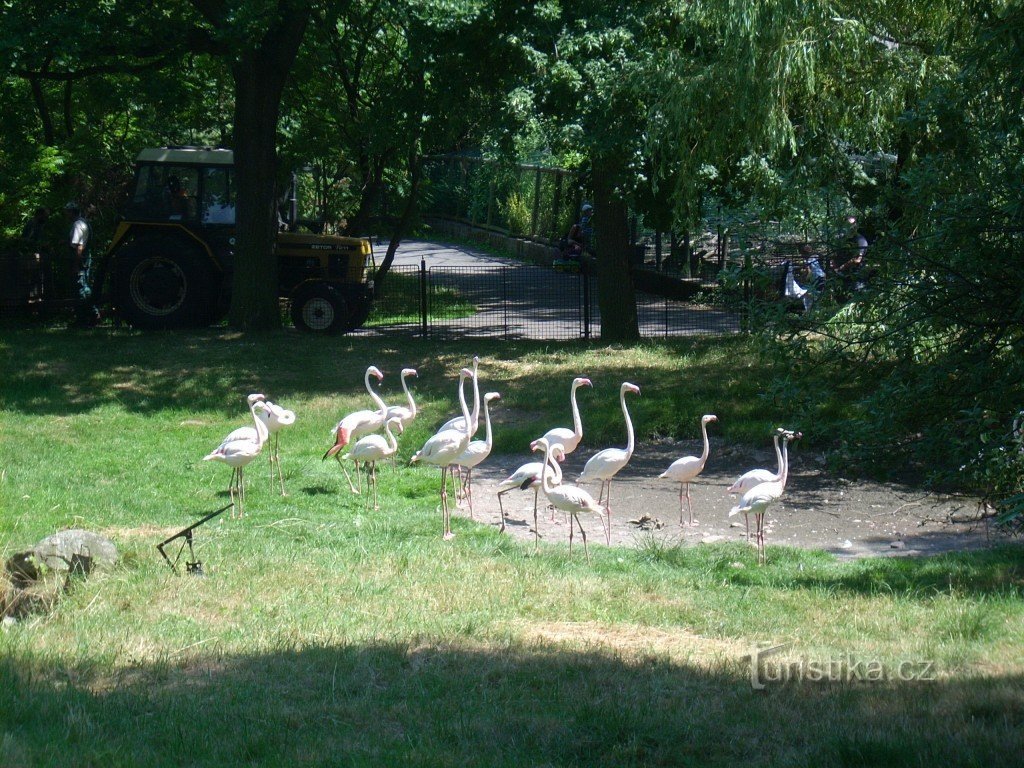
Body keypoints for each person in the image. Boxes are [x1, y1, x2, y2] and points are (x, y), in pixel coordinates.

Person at [65, 202, 98, 325]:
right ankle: (90, 315)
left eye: (67, 212)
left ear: (71, 212)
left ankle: (86, 317)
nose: (66, 214)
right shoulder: (84, 222)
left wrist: (76, 264)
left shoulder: (77, 224)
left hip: (80, 260)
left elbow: (79, 246)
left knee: (81, 288)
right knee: (84, 286)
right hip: (84, 259)